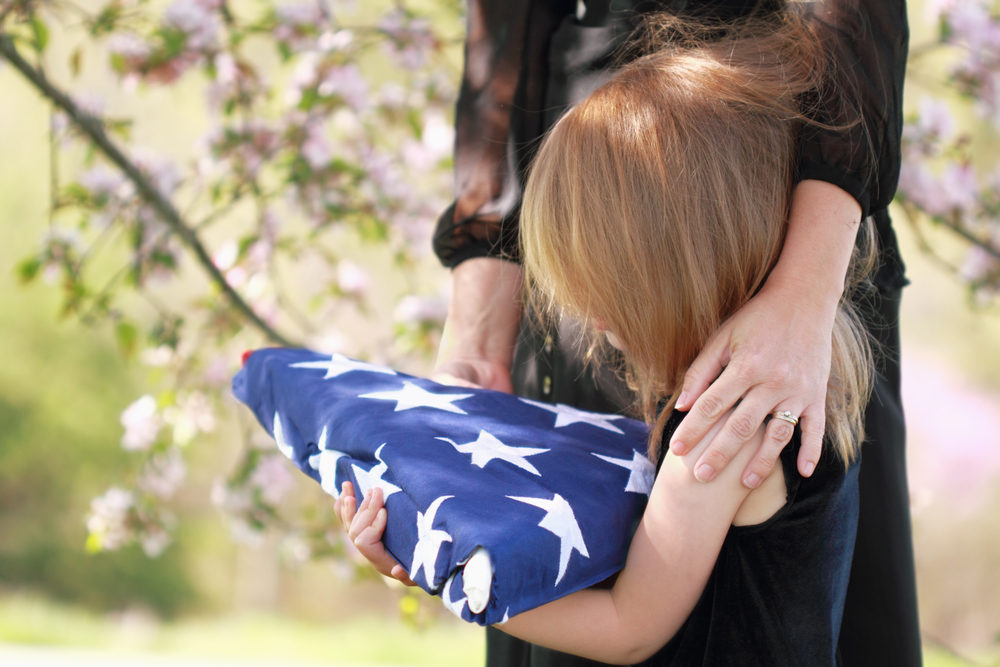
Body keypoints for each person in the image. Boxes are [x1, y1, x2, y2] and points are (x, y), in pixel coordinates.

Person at [339, 13, 877, 663]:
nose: (590, 319)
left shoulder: (721, 432)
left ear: (672, 275)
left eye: (603, 287)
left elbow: (627, 627)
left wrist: (445, 573)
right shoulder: (810, 384)